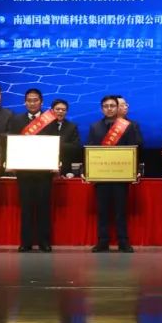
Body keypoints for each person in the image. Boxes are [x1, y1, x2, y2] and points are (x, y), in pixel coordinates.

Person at [87, 95, 142, 252]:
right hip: (101, 175)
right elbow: (90, 149)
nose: (109, 109)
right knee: (102, 211)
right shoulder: (95, 127)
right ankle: (102, 241)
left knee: (120, 211)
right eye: (106, 106)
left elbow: (134, 149)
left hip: (121, 175)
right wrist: (89, 171)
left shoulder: (127, 126)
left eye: (112, 106)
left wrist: (134, 170)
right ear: (101, 109)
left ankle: (123, 241)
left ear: (118, 108)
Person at [13, 88, 58, 252]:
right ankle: (26, 242)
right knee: (26, 208)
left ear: (41, 102)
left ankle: (44, 242)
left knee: (43, 208)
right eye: (29, 100)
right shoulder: (17, 120)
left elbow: (56, 143)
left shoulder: (50, 120)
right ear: (25, 102)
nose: (32, 103)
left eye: (35, 100)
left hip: (43, 172)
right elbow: (12, 144)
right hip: (24, 172)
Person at [50, 98, 83, 176]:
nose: (60, 111)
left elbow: (76, 146)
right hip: (47, 166)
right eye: (57, 109)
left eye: (63, 110)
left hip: (65, 165)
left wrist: (55, 144)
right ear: (52, 110)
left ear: (66, 112)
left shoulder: (72, 126)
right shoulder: (45, 126)